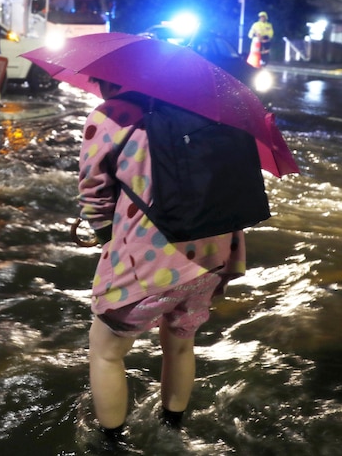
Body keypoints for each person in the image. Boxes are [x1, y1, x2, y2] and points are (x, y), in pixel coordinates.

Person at [78, 77, 247, 451]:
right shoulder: (205, 111)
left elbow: (93, 192)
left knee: (105, 351)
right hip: (211, 252)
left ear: (109, 77)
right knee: (181, 343)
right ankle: (172, 430)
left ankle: (112, 444)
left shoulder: (112, 114)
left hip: (150, 256)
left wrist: (106, 236)